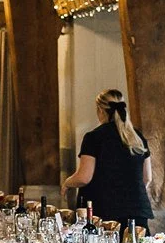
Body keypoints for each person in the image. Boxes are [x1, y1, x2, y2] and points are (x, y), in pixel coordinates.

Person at [63, 87, 154, 228]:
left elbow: (83, 177)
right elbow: (147, 178)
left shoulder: (94, 137)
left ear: (100, 110)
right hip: (137, 210)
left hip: (104, 211)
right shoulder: (137, 138)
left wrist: (67, 183)